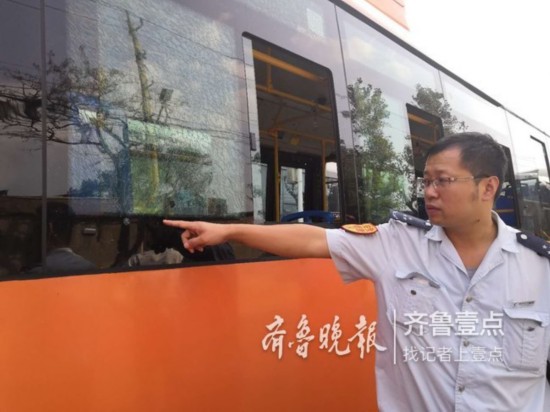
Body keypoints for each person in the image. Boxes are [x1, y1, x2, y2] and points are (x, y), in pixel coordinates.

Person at [164, 132, 550, 411]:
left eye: (443, 181)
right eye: (426, 180)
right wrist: (230, 231)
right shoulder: (397, 244)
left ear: (488, 188)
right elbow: (314, 240)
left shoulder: (540, 267)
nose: (429, 191)